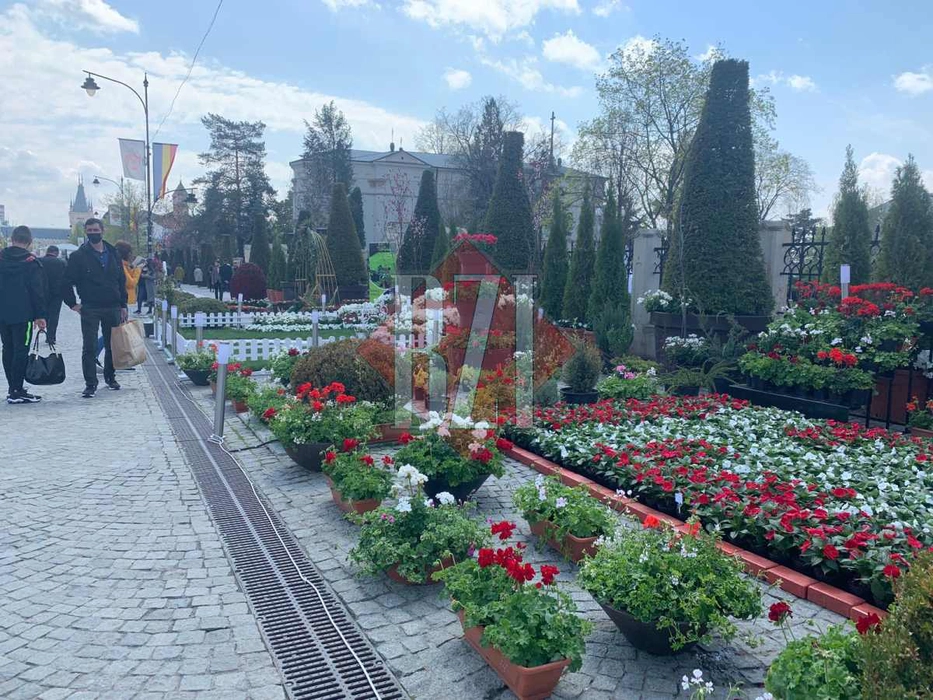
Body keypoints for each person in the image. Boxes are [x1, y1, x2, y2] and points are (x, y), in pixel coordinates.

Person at [63, 218, 128, 399]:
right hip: (90, 306)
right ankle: (90, 383)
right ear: (86, 232)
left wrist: (123, 304)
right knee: (90, 346)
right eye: (89, 230)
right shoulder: (78, 256)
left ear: (102, 231)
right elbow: (66, 281)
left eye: (95, 230)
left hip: (113, 305)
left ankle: (111, 377)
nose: (93, 233)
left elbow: (121, 280)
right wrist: (73, 304)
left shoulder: (113, 253)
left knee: (112, 345)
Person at [0, 226, 47, 404]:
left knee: (8, 348)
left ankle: (12, 387)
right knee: (21, 350)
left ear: (12, 239)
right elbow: (37, 291)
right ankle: (17, 390)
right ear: (29, 242)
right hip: (23, 314)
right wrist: (40, 315)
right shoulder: (31, 263)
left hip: (2, 313)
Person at [40, 245, 67, 345]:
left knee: (44, 312)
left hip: (42, 292)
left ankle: (43, 326)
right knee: (54, 315)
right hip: (57, 293)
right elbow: (66, 278)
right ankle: (51, 337)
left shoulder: (39, 261)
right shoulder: (61, 263)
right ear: (56, 253)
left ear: (47, 251)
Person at [115, 241, 142, 312]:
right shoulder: (121, 266)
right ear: (128, 254)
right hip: (123, 300)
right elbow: (131, 284)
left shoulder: (123, 265)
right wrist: (138, 269)